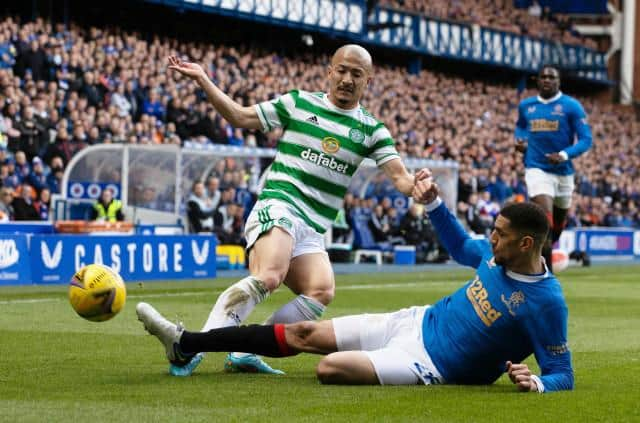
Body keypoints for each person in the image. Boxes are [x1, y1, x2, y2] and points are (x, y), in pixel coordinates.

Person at [136, 177, 573, 392]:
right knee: (306, 334)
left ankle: (204, 344)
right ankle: (188, 342)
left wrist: (536, 383)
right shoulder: (492, 256)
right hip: (415, 321)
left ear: (527, 243)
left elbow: (562, 374)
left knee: (328, 368)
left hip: (430, 366)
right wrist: (435, 203)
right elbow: (461, 245)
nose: (491, 238)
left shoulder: (545, 302)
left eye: (499, 234)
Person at [166, 44, 428, 376]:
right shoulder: (299, 102)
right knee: (270, 275)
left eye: (356, 74)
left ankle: (244, 349)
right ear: (330, 72)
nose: (347, 79)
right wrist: (204, 79)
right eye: (342, 70)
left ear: (368, 81)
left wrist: (417, 187)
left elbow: (401, 178)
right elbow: (241, 116)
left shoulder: (371, 130)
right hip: (279, 203)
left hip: (312, 226)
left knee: (321, 290)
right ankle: (193, 346)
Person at [515, 65, 593, 268]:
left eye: (552, 77)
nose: (547, 80)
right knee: (544, 223)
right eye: (543, 77)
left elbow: (586, 139)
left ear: (559, 81)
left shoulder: (571, 106)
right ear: (537, 80)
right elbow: (521, 126)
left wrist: (564, 155)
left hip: (563, 173)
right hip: (536, 169)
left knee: (556, 228)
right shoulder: (527, 106)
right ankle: (546, 281)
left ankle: (545, 258)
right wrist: (520, 141)